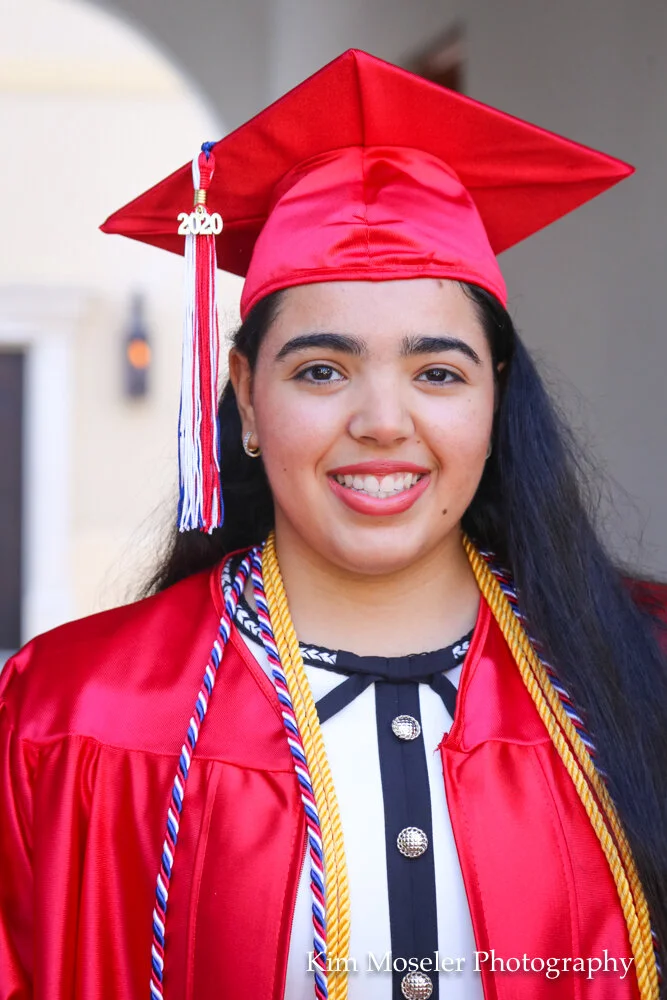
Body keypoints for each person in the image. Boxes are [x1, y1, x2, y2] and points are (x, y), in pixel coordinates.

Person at [1, 48, 666, 1000]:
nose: (383, 422)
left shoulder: (638, 671)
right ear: (245, 396)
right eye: (321, 370)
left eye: (437, 372)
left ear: (495, 396)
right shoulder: (72, 715)